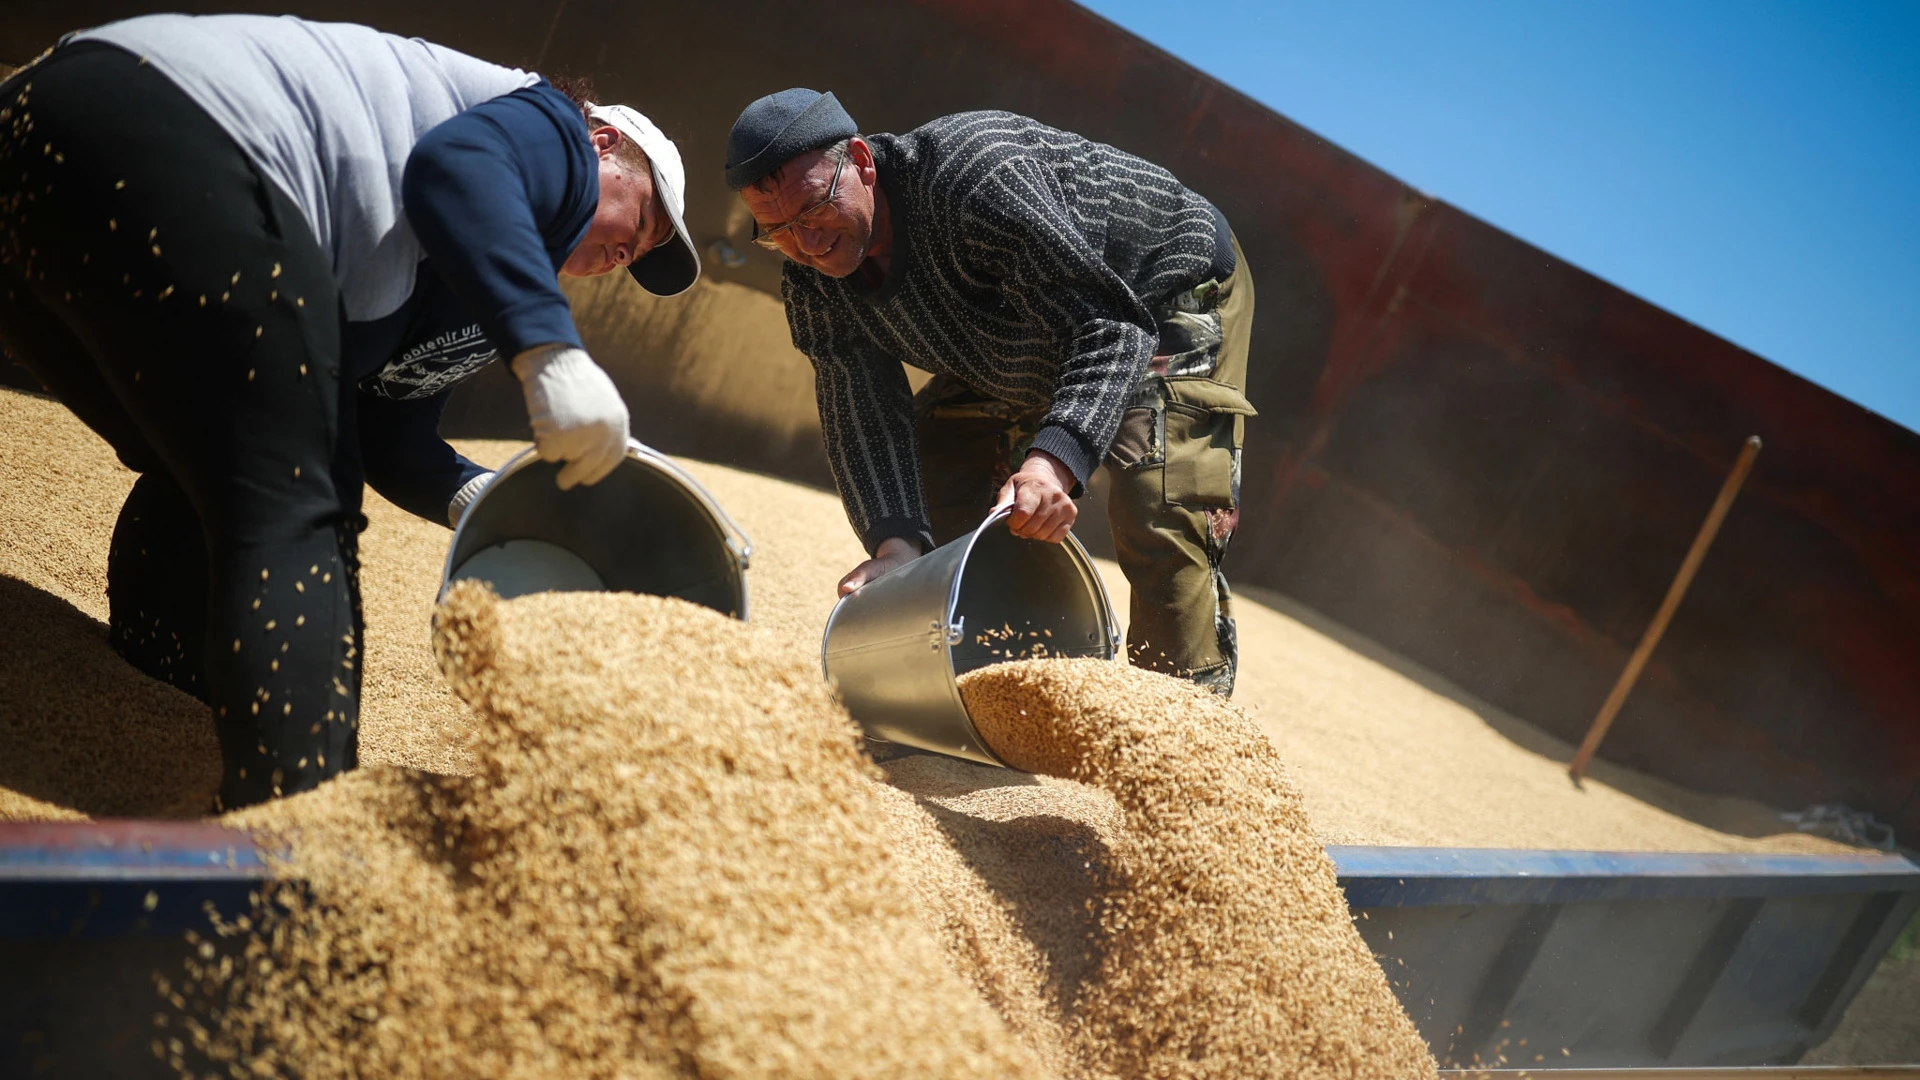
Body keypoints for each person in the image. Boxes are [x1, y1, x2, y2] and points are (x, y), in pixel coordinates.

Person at [0, 13, 700, 808]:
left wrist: (477, 494)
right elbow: (456, 167)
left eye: (632, 260)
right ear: (604, 145)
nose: (619, 257)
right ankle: (307, 827)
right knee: (305, 499)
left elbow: (383, 426)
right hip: (168, 122)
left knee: (233, 444)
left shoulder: (462, 275)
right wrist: (552, 353)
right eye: (636, 222)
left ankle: (166, 660)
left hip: (33, 143)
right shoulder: (548, 129)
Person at [725, 91, 1254, 695]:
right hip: (1024, 329)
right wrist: (896, 546)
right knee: (937, 465)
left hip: (1163, 288)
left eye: (816, 208)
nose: (807, 243)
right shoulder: (811, 278)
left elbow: (1112, 327)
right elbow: (860, 406)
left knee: (1156, 497)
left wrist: (1051, 465)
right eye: (778, 230)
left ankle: (1183, 723)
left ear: (863, 163)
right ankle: (998, 681)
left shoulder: (975, 181)